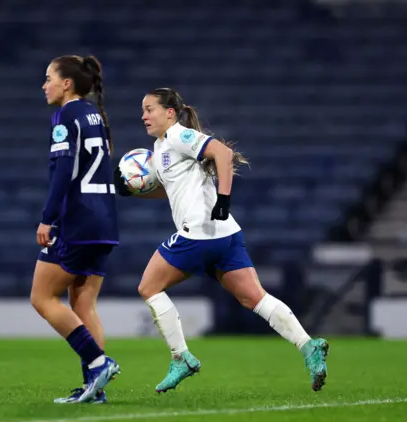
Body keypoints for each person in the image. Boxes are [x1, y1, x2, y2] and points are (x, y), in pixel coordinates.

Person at [113, 87, 329, 393]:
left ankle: (181, 358)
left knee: (148, 287)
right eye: (143, 110)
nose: (143, 115)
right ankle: (310, 347)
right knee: (254, 298)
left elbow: (223, 154)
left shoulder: (177, 136)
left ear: (170, 113)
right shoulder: (161, 147)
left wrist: (224, 196)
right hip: (225, 235)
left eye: (150, 109)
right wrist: (136, 191)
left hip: (198, 234)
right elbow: (173, 190)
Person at [31, 55, 120, 404]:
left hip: (78, 219)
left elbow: (63, 172)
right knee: (84, 304)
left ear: (67, 83)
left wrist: (47, 217)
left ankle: (98, 363)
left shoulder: (65, 116)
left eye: (49, 77)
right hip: (104, 219)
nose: (45, 84)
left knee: (41, 297)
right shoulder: (95, 115)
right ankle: (94, 390)